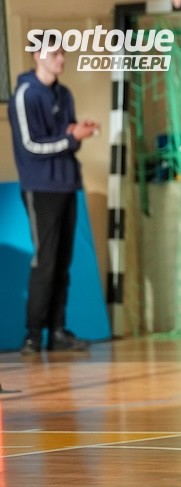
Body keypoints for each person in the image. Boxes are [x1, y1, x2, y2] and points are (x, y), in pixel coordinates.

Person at [8, 41, 99, 354]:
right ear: (37, 55)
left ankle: (57, 331)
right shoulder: (26, 94)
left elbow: (66, 139)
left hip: (66, 185)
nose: (61, 59)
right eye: (54, 53)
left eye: (63, 53)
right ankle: (33, 335)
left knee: (62, 263)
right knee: (45, 261)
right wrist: (70, 137)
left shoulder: (65, 93)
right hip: (41, 187)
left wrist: (77, 133)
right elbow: (31, 145)